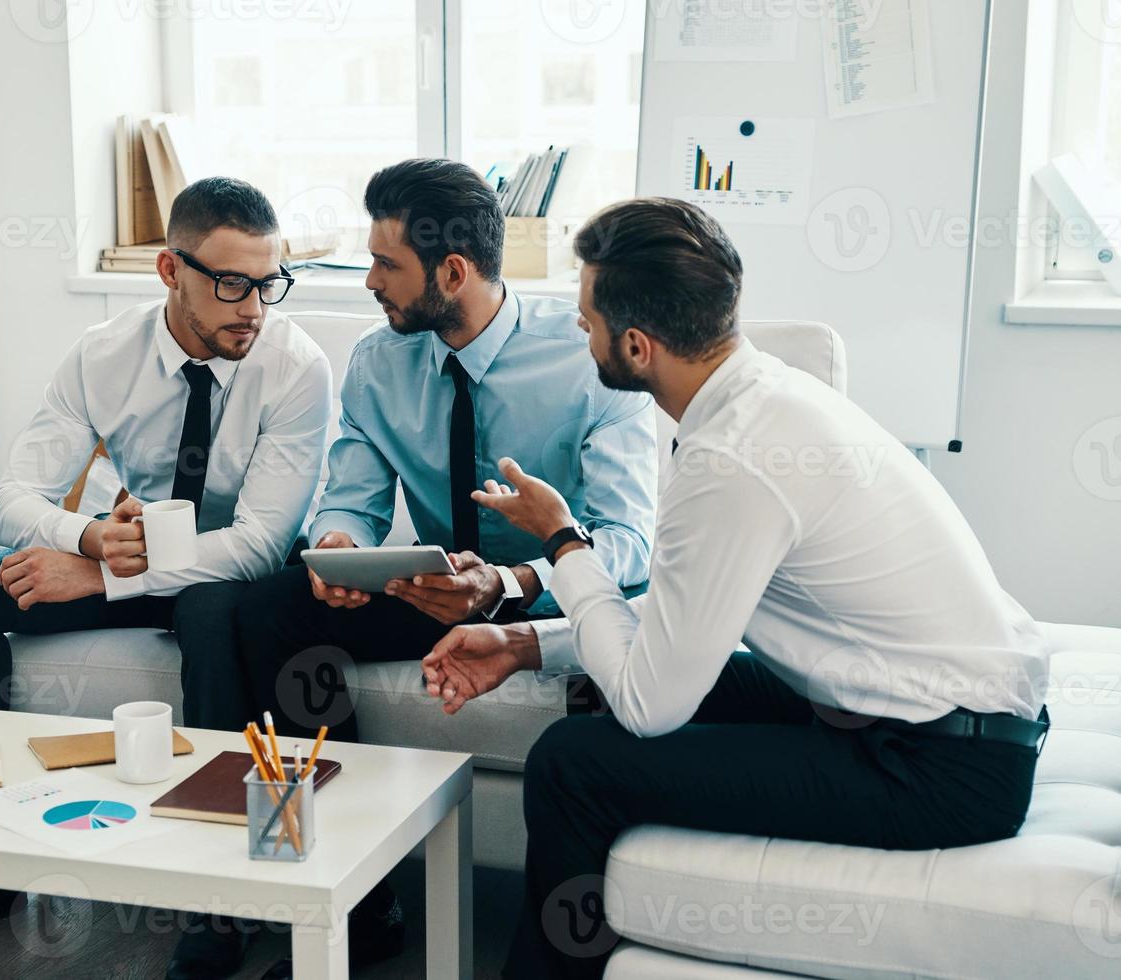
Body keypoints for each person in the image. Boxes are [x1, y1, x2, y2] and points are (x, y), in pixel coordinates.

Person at [420, 197, 1052, 979]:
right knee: (592, 692)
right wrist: (524, 644)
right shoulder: (762, 400)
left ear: (638, 346)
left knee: (572, 762)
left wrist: (564, 539)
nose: (579, 336)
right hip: (933, 715)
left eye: (586, 323)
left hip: (942, 767)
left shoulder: (732, 461)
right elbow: (691, 616)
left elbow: (652, 707)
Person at [174, 158, 660, 977]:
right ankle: (350, 901)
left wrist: (511, 583)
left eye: (385, 265)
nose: (368, 281)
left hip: (550, 597)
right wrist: (335, 548)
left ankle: (566, 937)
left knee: (598, 672)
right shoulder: (378, 361)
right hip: (434, 588)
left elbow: (629, 540)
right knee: (265, 610)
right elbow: (352, 498)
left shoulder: (587, 361)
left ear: (454, 272)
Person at [0, 177, 332, 962]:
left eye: (268, 284)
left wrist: (106, 577)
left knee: (210, 611)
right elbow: (11, 497)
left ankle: (215, 896)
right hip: (123, 554)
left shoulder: (296, 368)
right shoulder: (103, 355)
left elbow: (263, 542)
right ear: (170, 271)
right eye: (231, 283)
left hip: (230, 582)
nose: (253, 308)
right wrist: (88, 536)